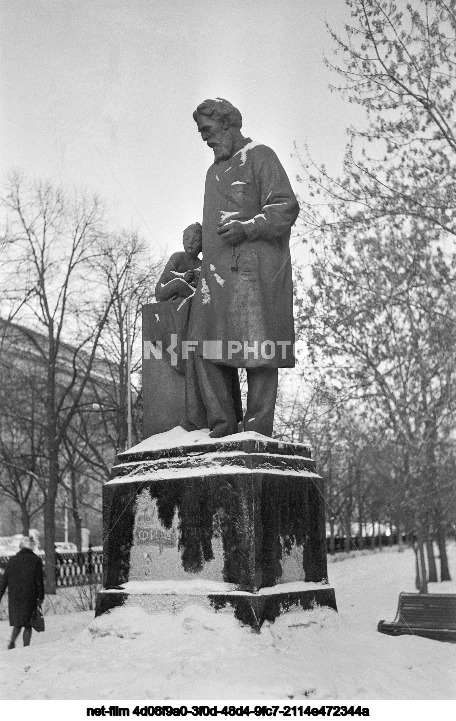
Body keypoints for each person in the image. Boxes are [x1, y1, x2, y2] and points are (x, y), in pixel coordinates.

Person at [184, 98, 299, 438]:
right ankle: (222, 424)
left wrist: (248, 228)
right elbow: (220, 217)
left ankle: (257, 429)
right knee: (203, 345)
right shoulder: (213, 172)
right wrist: (202, 235)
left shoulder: (261, 156)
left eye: (207, 130)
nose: (205, 139)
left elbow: (285, 207)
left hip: (253, 273)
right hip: (215, 274)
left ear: (228, 124)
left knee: (260, 350)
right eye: (201, 132)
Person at [0, 535, 45, 649]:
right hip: (30, 595)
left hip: (15, 597)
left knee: (18, 623)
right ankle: (26, 646)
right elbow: (39, 581)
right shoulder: (36, 561)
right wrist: (40, 596)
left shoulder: (12, 560)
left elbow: (4, 580)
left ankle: (12, 642)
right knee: (28, 624)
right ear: (32, 547)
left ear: (20, 547)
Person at [155, 222, 202, 302]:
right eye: (187, 239)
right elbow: (166, 274)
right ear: (183, 241)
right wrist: (183, 277)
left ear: (201, 244)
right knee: (178, 284)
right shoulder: (178, 256)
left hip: (184, 293)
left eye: (196, 240)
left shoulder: (200, 264)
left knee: (198, 295)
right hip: (164, 290)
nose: (190, 242)